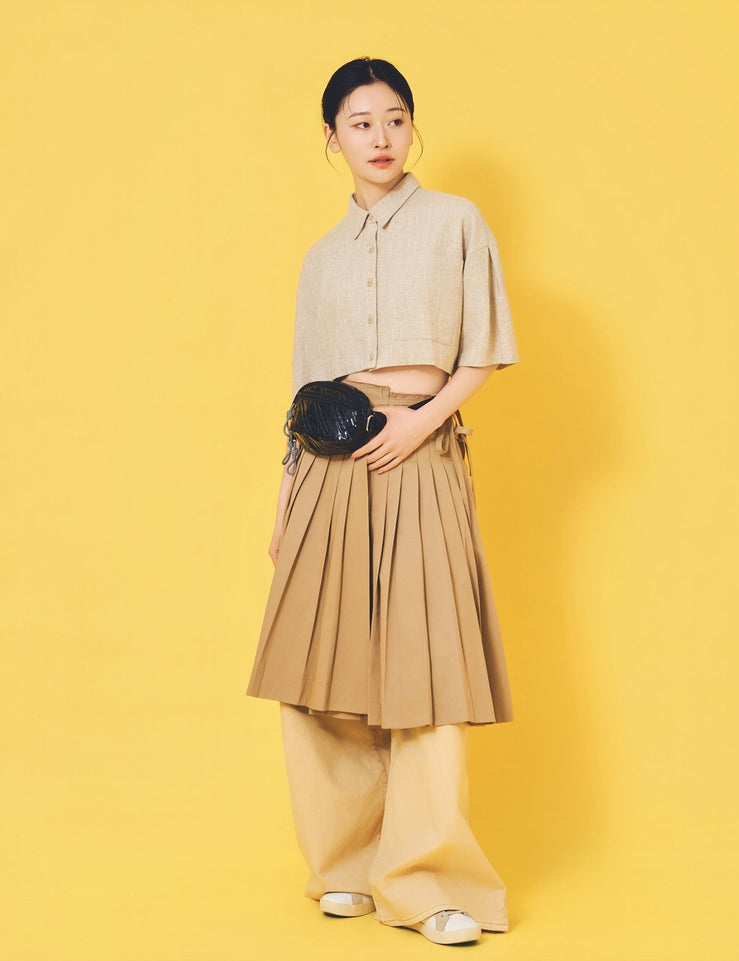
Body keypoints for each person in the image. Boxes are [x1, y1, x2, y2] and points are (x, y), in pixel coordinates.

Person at [246, 56, 519, 947]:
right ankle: (345, 867)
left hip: (418, 450)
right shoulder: (320, 258)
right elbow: (301, 394)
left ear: (411, 126)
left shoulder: (455, 222)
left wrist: (422, 421)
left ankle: (430, 882)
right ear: (332, 137)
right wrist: (285, 497)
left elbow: (483, 347)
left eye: (395, 118)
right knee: (319, 672)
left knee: (425, 669)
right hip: (326, 468)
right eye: (361, 123)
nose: (381, 137)